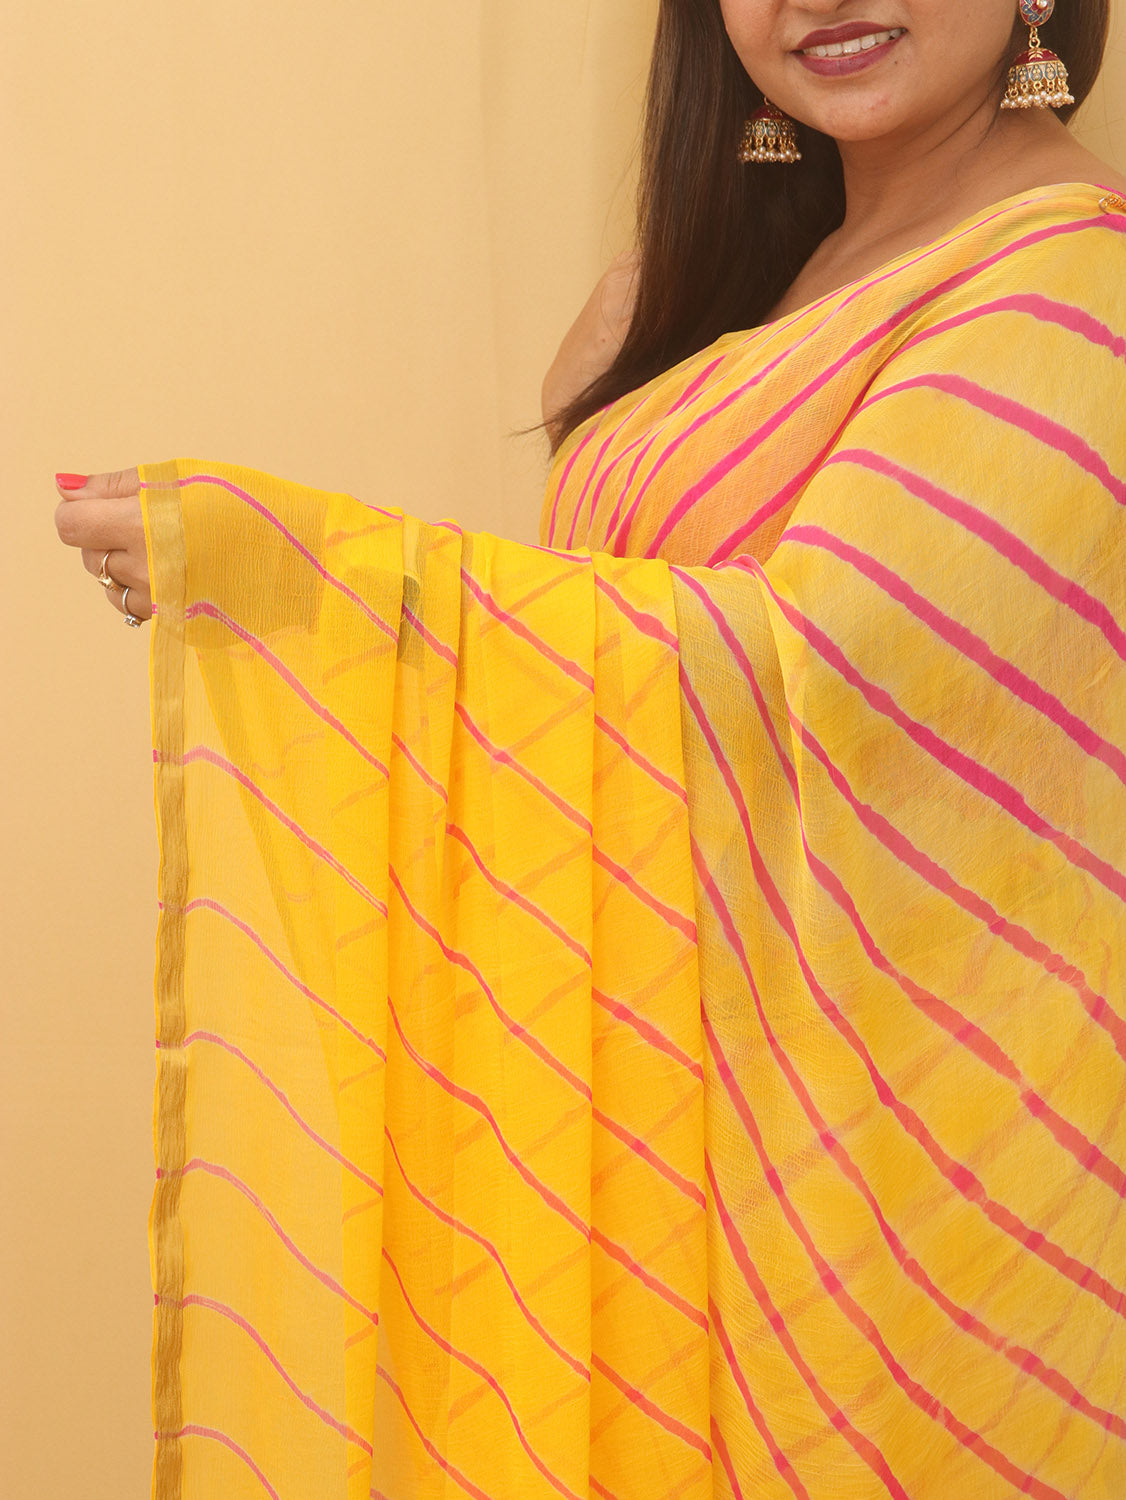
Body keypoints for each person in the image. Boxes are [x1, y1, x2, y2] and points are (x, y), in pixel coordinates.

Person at [55, 2, 1126, 1497]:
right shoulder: (717, 289)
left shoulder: (1077, 289)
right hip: (658, 1135)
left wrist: (317, 581)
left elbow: (824, 670)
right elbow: (611, 678)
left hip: (906, 1181)